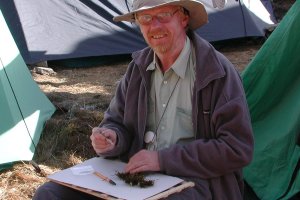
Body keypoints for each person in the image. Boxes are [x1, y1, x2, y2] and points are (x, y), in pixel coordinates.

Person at [33, 0, 254, 199]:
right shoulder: (137, 69)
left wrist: (163, 160)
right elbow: (116, 123)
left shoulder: (215, 72)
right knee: (50, 194)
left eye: (163, 15)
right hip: (134, 175)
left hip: (195, 180)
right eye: (145, 18)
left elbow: (236, 148)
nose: (154, 26)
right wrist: (111, 138)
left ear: (184, 18)